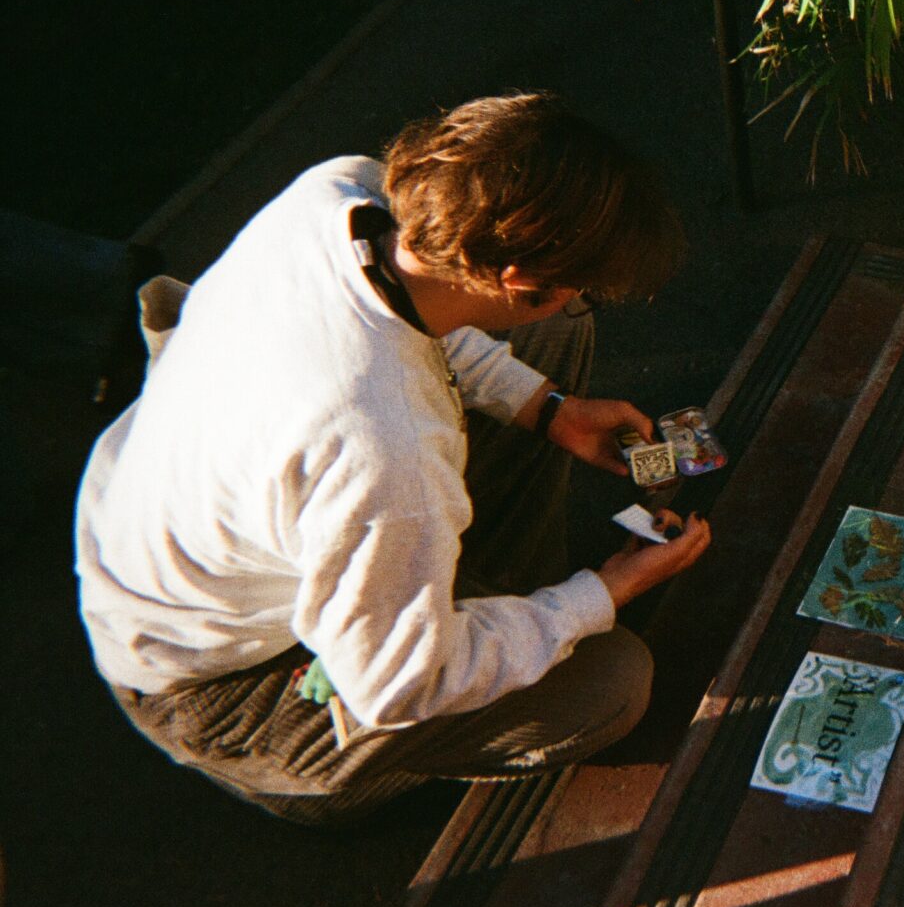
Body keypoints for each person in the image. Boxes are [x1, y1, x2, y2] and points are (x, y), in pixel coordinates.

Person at [74, 91, 712, 825]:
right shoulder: (382, 447)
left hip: (160, 527)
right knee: (611, 687)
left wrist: (550, 411)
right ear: (520, 282)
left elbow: (424, 308)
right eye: (577, 292)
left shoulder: (343, 188)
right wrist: (603, 595)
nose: (578, 304)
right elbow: (394, 682)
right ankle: (303, 773)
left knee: (546, 353)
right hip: (212, 678)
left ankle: (482, 601)